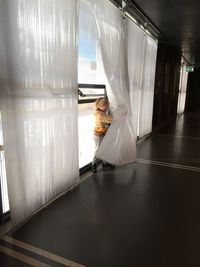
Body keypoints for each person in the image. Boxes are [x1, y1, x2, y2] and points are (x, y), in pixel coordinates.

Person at [91, 97, 113, 173]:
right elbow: (111, 119)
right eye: (103, 105)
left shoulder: (101, 113)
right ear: (99, 106)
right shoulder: (101, 115)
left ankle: (104, 163)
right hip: (98, 135)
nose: (105, 107)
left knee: (105, 148)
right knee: (98, 150)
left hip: (102, 134)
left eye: (106, 105)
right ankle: (94, 165)